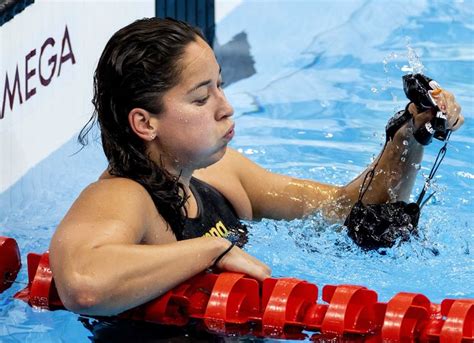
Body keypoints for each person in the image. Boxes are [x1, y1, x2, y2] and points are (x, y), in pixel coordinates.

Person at [49, 17, 464, 316]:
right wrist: (213, 249)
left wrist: (409, 136)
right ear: (145, 123)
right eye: (200, 98)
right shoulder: (120, 196)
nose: (226, 108)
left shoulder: (221, 174)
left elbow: (346, 211)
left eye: (220, 86)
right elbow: (84, 284)